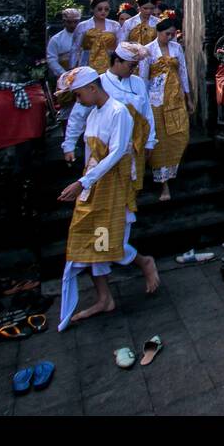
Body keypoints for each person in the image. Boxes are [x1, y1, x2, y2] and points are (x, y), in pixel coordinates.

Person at [55, 66, 160, 331]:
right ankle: (104, 298)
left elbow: (115, 154)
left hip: (112, 184)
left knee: (107, 238)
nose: (78, 101)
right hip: (93, 183)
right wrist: (84, 176)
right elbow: (91, 152)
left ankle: (143, 261)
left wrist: (83, 182)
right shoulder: (93, 114)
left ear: (92, 88)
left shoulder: (118, 112)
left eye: (79, 95)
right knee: (88, 240)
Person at [65, 42, 157, 197]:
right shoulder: (98, 84)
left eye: (135, 66)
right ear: (117, 61)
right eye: (131, 65)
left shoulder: (138, 82)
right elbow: (78, 115)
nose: (133, 69)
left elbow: (147, 114)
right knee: (107, 187)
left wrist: (150, 141)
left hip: (136, 141)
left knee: (131, 184)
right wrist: (69, 144)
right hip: (106, 144)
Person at [141, 13, 191, 202]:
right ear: (158, 33)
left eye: (173, 34)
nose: (170, 37)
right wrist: (143, 104)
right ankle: (164, 184)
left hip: (175, 97)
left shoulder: (177, 48)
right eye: (167, 34)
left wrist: (189, 96)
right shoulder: (148, 51)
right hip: (156, 100)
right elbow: (144, 79)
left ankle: (174, 170)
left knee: (180, 134)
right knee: (160, 141)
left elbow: (183, 73)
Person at [74, 0, 119, 74]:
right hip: (87, 64)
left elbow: (119, 46)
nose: (103, 12)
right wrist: (72, 68)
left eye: (106, 9)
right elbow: (75, 48)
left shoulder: (115, 25)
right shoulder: (83, 26)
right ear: (92, 9)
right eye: (100, 9)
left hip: (109, 64)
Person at [46, 9, 82, 79]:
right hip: (63, 77)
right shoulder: (56, 39)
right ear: (63, 22)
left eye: (75, 22)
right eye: (69, 22)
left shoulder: (86, 36)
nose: (72, 25)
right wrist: (64, 74)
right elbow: (51, 59)